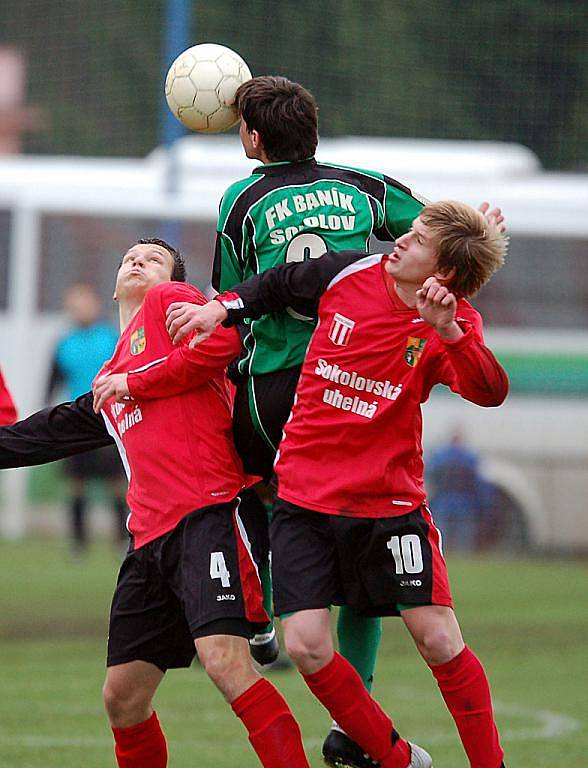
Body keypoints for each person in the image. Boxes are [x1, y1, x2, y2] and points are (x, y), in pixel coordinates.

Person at [166, 75, 505, 768]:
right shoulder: (352, 267)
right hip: (308, 491)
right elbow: (283, 282)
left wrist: (453, 329)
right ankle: (386, 747)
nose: (399, 242)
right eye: (404, 233)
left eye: (413, 241)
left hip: (382, 496)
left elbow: (489, 388)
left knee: (437, 636)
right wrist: (221, 309)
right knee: (310, 643)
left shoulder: (444, 319)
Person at [0, 238, 310, 768]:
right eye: (129, 257)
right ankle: (258, 618)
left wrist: (135, 383)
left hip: (206, 517)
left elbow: (223, 343)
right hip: (147, 543)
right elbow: (41, 435)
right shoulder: (108, 378)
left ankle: (258, 615)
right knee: (122, 697)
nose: (137, 261)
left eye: (154, 257)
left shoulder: (172, 307)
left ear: (172, 278)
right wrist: (123, 384)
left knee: (224, 665)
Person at [46, 282, 127, 555]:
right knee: (77, 485)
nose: (80, 308)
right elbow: (52, 380)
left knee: (117, 483)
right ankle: (79, 542)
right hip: (76, 420)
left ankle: (122, 538)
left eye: (85, 302)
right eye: (75, 303)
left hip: (109, 420)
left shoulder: (110, 338)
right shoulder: (64, 343)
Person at [427, 429, 495, 552]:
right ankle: (463, 553)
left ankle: (443, 551)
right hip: (463, 500)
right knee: (464, 530)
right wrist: (484, 502)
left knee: (442, 529)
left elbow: (430, 473)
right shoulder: (469, 457)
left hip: (444, 499)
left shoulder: (440, 455)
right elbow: (478, 481)